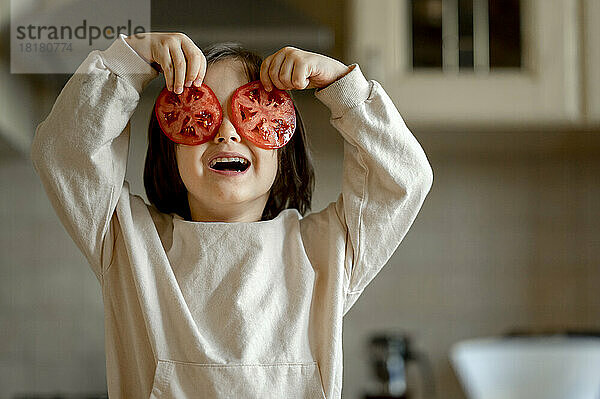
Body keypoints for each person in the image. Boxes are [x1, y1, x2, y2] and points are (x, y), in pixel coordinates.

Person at [30, 32, 434, 398]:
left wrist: (342, 86)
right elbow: (64, 152)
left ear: (284, 150)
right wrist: (131, 58)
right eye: (200, 116)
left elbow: (403, 178)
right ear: (169, 149)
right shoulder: (128, 243)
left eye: (253, 114)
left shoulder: (324, 251)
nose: (227, 132)